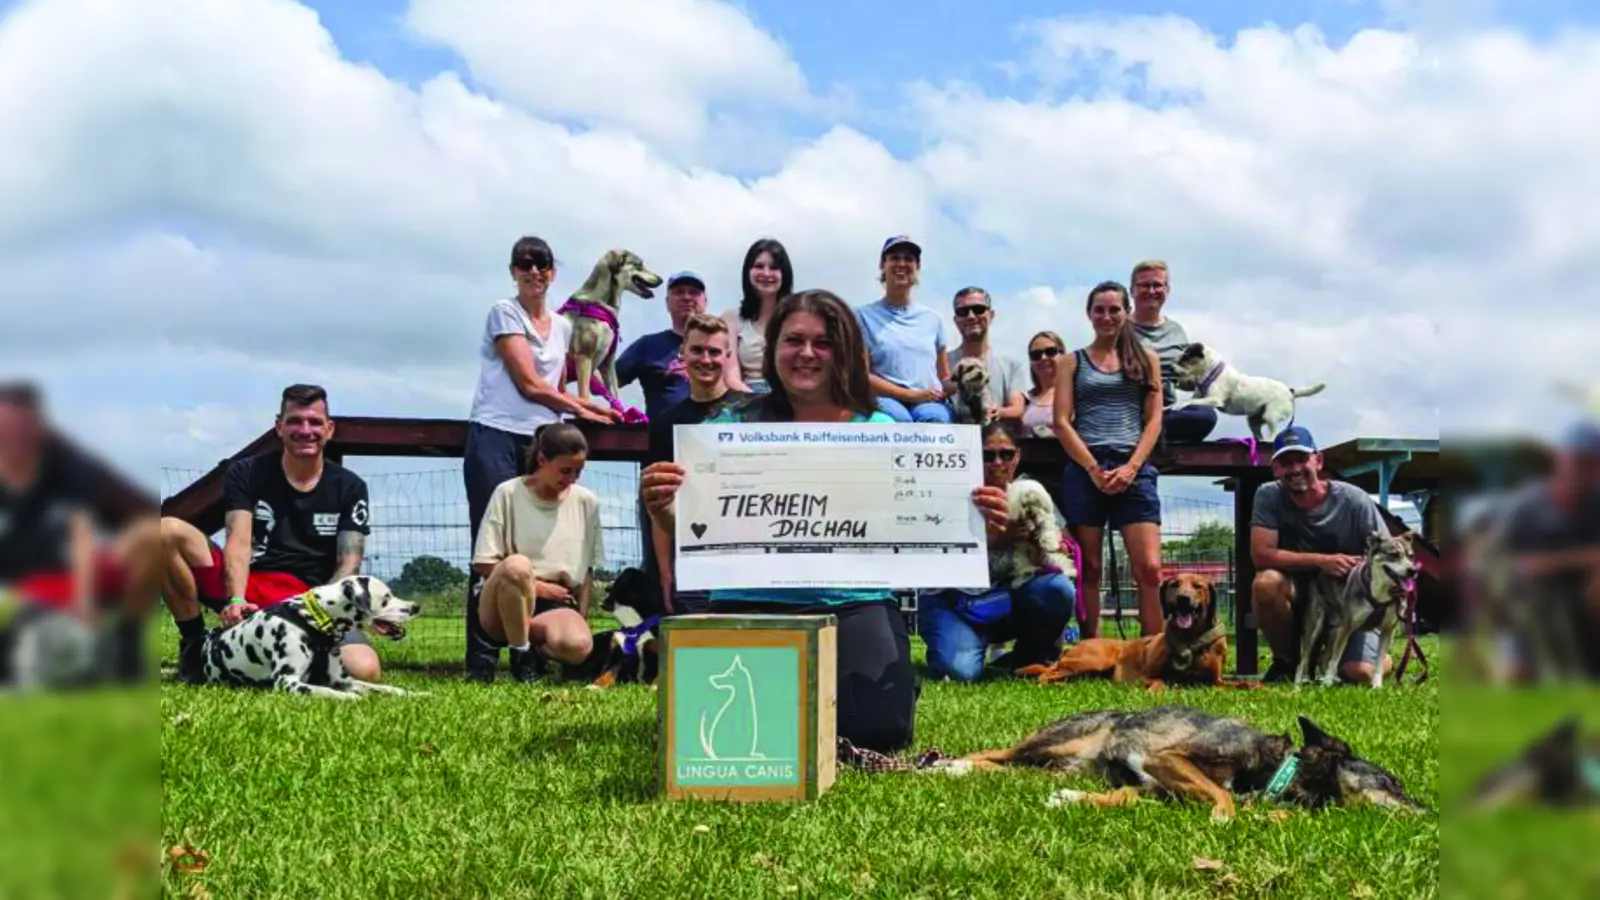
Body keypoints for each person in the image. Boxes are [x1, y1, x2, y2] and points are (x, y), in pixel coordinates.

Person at [639, 289, 1009, 752]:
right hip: (750, 599)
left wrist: (978, 528)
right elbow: (699, 530)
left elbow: (921, 531)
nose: (807, 353)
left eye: (824, 342)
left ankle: (852, 683)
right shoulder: (726, 429)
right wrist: (666, 509)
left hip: (852, 601)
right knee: (710, 730)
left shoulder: (881, 431)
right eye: (793, 340)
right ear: (773, 349)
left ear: (846, 352)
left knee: (883, 734)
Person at [462, 236, 615, 683]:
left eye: (542, 265)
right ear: (513, 271)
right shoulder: (503, 313)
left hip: (542, 436)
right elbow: (530, 383)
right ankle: (483, 661)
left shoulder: (565, 327)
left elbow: (575, 379)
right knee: (488, 546)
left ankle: (538, 646)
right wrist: (586, 411)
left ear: (553, 273)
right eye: (525, 265)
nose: (534, 273)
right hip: (496, 432)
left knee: (542, 537)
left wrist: (605, 403)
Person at [158, 384, 383, 684]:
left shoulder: (350, 487)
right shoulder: (245, 472)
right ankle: (195, 647)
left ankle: (271, 657)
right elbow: (238, 543)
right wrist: (236, 599)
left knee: (365, 669)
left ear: (329, 429)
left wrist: (313, 616)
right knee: (164, 531)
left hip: (307, 598)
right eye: (295, 421)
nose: (305, 430)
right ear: (279, 427)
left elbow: (348, 567)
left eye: (315, 422)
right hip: (250, 585)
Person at [0, 382, 162, 686]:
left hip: (68, 578)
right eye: (6, 428)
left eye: (22, 427)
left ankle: (126, 644)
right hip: (14, 590)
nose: (13, 436)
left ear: (38, 428)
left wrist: (83, 603)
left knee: (155, 534)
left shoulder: (68, 467)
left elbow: (82, 534)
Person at [917, 421, 1078, 682]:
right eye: (987, 455)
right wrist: (991, 541)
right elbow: (931, 557)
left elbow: (1064, 547)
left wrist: (1044, 545)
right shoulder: (949, 496)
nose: (997, 462)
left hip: (1008, 599)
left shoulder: (1031, 493)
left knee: (1057, 588)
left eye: (1006, 454)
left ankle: (1028, 658)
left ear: (1017, 457)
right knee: (960, 672)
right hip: (951, 601)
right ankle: (952, 647)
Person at [1053, 281, 1166, 637]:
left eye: (1114, 309)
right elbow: (1061, 421)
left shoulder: (1147, 359)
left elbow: (1154, 420)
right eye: (1099, 309)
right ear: (1089, 314)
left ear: (1126, 313)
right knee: (1090, 566)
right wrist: (1092, 469)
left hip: (1133, 467)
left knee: (1149, 568)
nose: (1107, 316)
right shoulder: (1071, 362)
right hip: (1088, 468)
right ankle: (1093, 648)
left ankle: (1154, 649)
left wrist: (1132, 467)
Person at [1250, 426, 1397, 684]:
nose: (1294, 469)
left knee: (1358, 675)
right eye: (1286, 463)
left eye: (1301, 460)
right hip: (1300, 594)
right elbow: (1261, 555)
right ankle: (1287, 663)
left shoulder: (1354, 500)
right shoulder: (1268, 495)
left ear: (1318, 461)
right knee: (1266, 584)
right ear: (1275, 469)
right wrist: (1323, 561)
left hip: (1349, 599)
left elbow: (1388, 553)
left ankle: (1380, 659)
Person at [470, 422, 605, 683]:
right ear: (542, 460)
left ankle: (537, 652)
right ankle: (521, 659)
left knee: (577, 646)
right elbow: (484, 564)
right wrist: (538, 587)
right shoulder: (507, 493)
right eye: (565, 470)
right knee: (517, 565)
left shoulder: (586, 502)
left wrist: (582, 617)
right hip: (504, 597)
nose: (571, 479)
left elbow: (587, 571)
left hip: (558, 602)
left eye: (578, 472)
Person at [645, 314, 750, 613]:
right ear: (683, 354)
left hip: (747, 564)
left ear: (727, 356)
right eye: (697, 350)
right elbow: (659, 505)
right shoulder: (667, 423)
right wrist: (666, 574)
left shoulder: (753, 413)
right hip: (695, 564)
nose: (706, 359)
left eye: (715, 352)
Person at [856, 236, 954, 424]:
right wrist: (912, 395)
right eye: (894, 258)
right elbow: (862, 375)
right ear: (882, 264)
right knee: (898, 420)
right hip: (885, 399)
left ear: (917, 267)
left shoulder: (934, 319)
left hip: (929, 401)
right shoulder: (861, 315)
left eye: (908, 259)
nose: (901, 263)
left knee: (935, 418)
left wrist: (966, 382)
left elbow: (944, 376)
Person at [1129, 260, 1217, 443]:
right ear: (1132, 290)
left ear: (1167, 290)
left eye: (1157, 285)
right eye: (1144, 285)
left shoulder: (1176, 330)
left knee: (1206, 415)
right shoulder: (1119, 328)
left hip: (1166, 412)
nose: (1151, 291)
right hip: (1128, 410)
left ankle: (1153, 434)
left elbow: (1186, 380)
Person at [617, 270, 708, 419]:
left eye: (694, 292)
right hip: (662, 436)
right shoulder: (646, 346)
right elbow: (605, 383)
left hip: (711, 434)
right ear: (667, 302)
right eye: (679, 292)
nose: (686, 297)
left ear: (705, 301)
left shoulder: (720, 345)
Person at [722, 238, 793, 396]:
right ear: (748, 272)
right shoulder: (731, 319)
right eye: (759, 266)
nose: (766, 273)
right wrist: (759, 405)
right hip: (747, 399)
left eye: (774, 268)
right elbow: (731, 378)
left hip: (792, 396)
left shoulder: (797, 317)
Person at [944, 287, 1024, 425]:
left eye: (978, 309)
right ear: (956, 320)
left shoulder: (1011, 365)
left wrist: (998, 411)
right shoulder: (941, 363)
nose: (971, 316)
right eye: (962, 311)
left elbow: (1017, 408)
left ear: (991, 315)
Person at [1020, 330, 1065, 438]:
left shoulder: (1076, 395)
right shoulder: (1024, 399)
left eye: (1050, 352)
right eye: (1036, 355)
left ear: (1063, 355)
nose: (1043, 358)